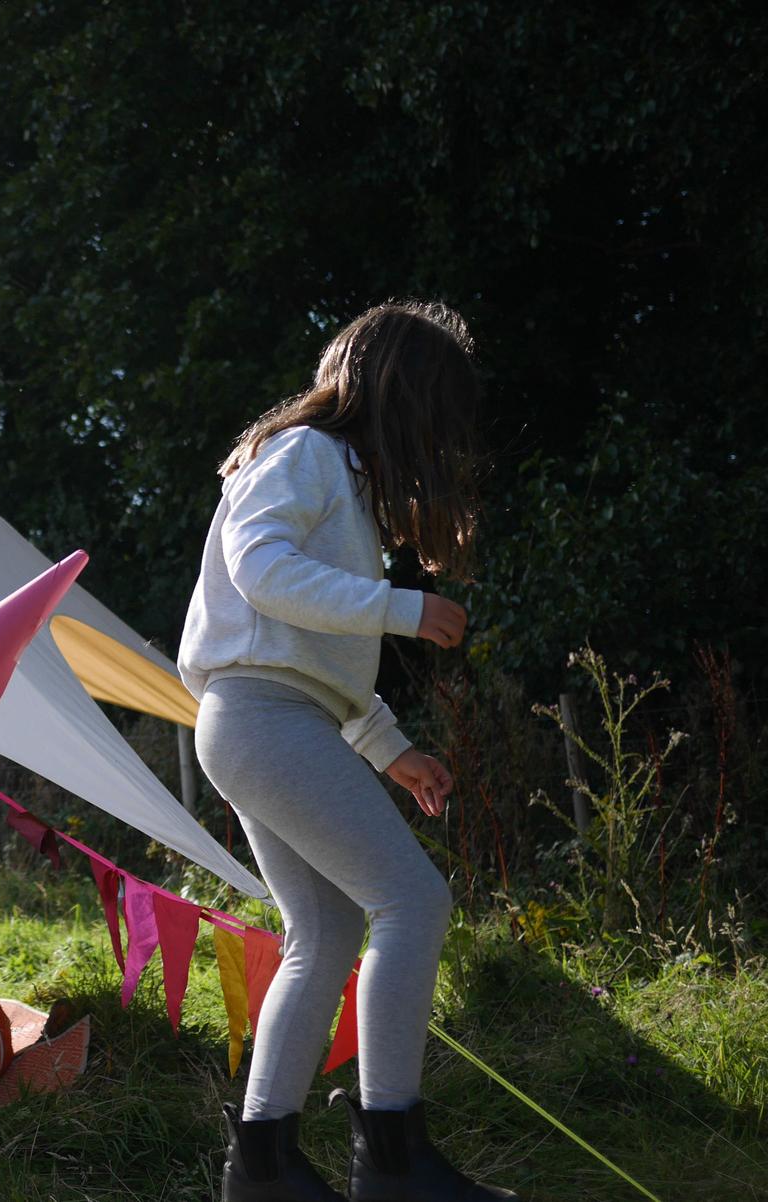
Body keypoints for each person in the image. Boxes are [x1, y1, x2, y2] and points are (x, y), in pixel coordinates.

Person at [178, 302, 516, 1201]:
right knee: (411, 899)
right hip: (260, 718)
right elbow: (263, 574)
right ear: (403, 398)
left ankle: (262, 1167)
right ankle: (392, 1160)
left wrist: (389, 747)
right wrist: (402, 607)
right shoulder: (304, 456)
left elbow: (314, 661)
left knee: (324, 933)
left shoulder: (342, 486)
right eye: (437, 417)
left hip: (275, 719)